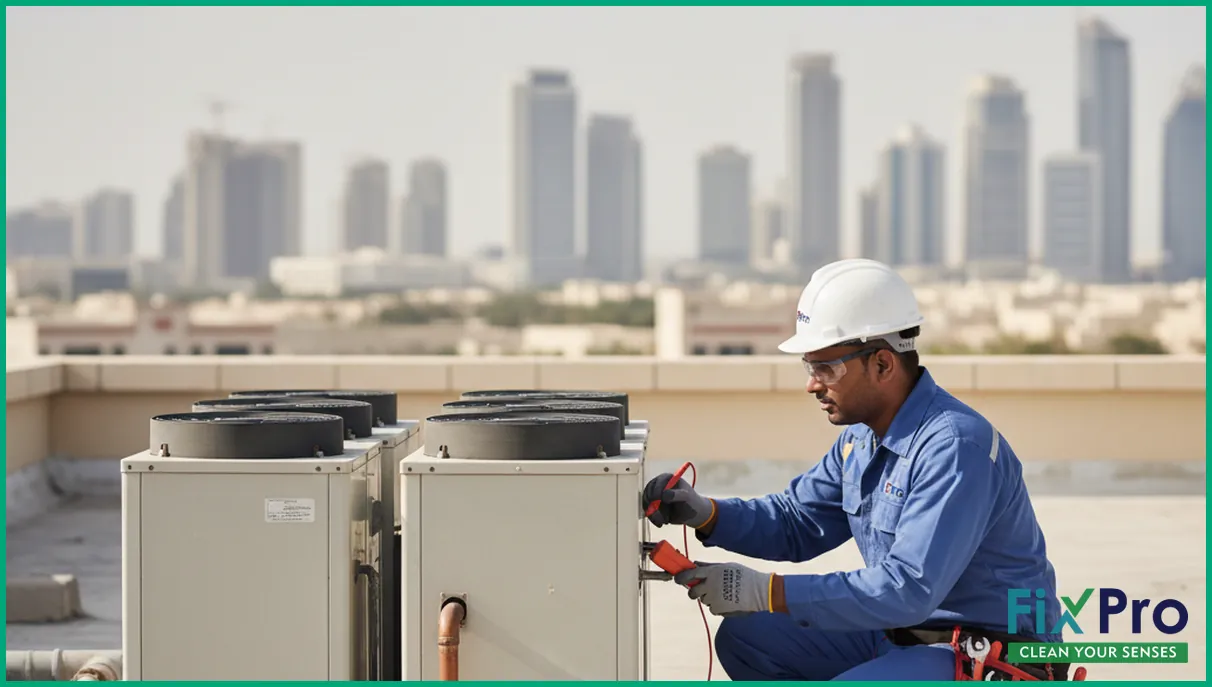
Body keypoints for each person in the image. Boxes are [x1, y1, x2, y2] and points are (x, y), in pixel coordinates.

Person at [643, 258, 1067, 681]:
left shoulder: (954, 447)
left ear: (883, 364)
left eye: (826, 368)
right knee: (749, 638)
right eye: (809, 367)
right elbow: (797, 521)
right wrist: (708, 514)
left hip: (987, 653)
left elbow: (907, 587)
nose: (812, 384)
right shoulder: (861, 440)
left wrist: (767, 591)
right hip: (904, 634)